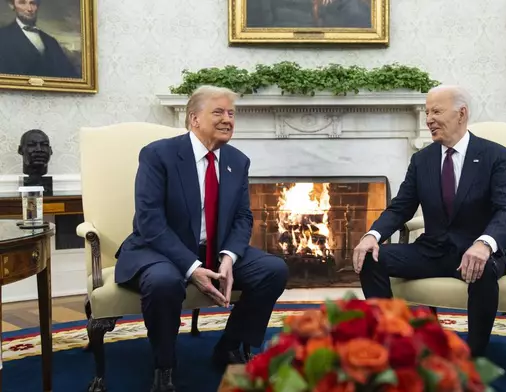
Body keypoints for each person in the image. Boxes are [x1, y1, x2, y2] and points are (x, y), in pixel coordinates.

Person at [115, 86, 289, 391]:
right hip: (160, 249)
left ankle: (231, 345)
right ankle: (164, 365)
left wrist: (229, 257)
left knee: (273, 270)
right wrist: (192, 267)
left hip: (214, 248)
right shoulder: (158, 155)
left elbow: (242, 217)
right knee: (164, 282)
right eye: (218, 112)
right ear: (194, 118)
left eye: (231, 113)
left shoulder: (237, 160)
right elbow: (150, 222)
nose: (227, 120)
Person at [353, 85, 506, 358]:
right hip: (431, 250)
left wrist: (484, 244)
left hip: (475, 252)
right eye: (427, 112)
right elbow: (400, 209)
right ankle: (388, 343)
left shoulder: (495, 155)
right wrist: (372, 235)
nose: (428, 119)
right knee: (371, 258)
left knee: (483, 270)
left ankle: (474, 356)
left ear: (461, 114)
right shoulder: (422, 160)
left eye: (436, 111)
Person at [0, 0, 79, 78]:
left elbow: (71, 77)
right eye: (22, 3)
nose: (29, 9)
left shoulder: (51, 42)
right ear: (12, 5)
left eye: (33, 3)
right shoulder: (2, 36)